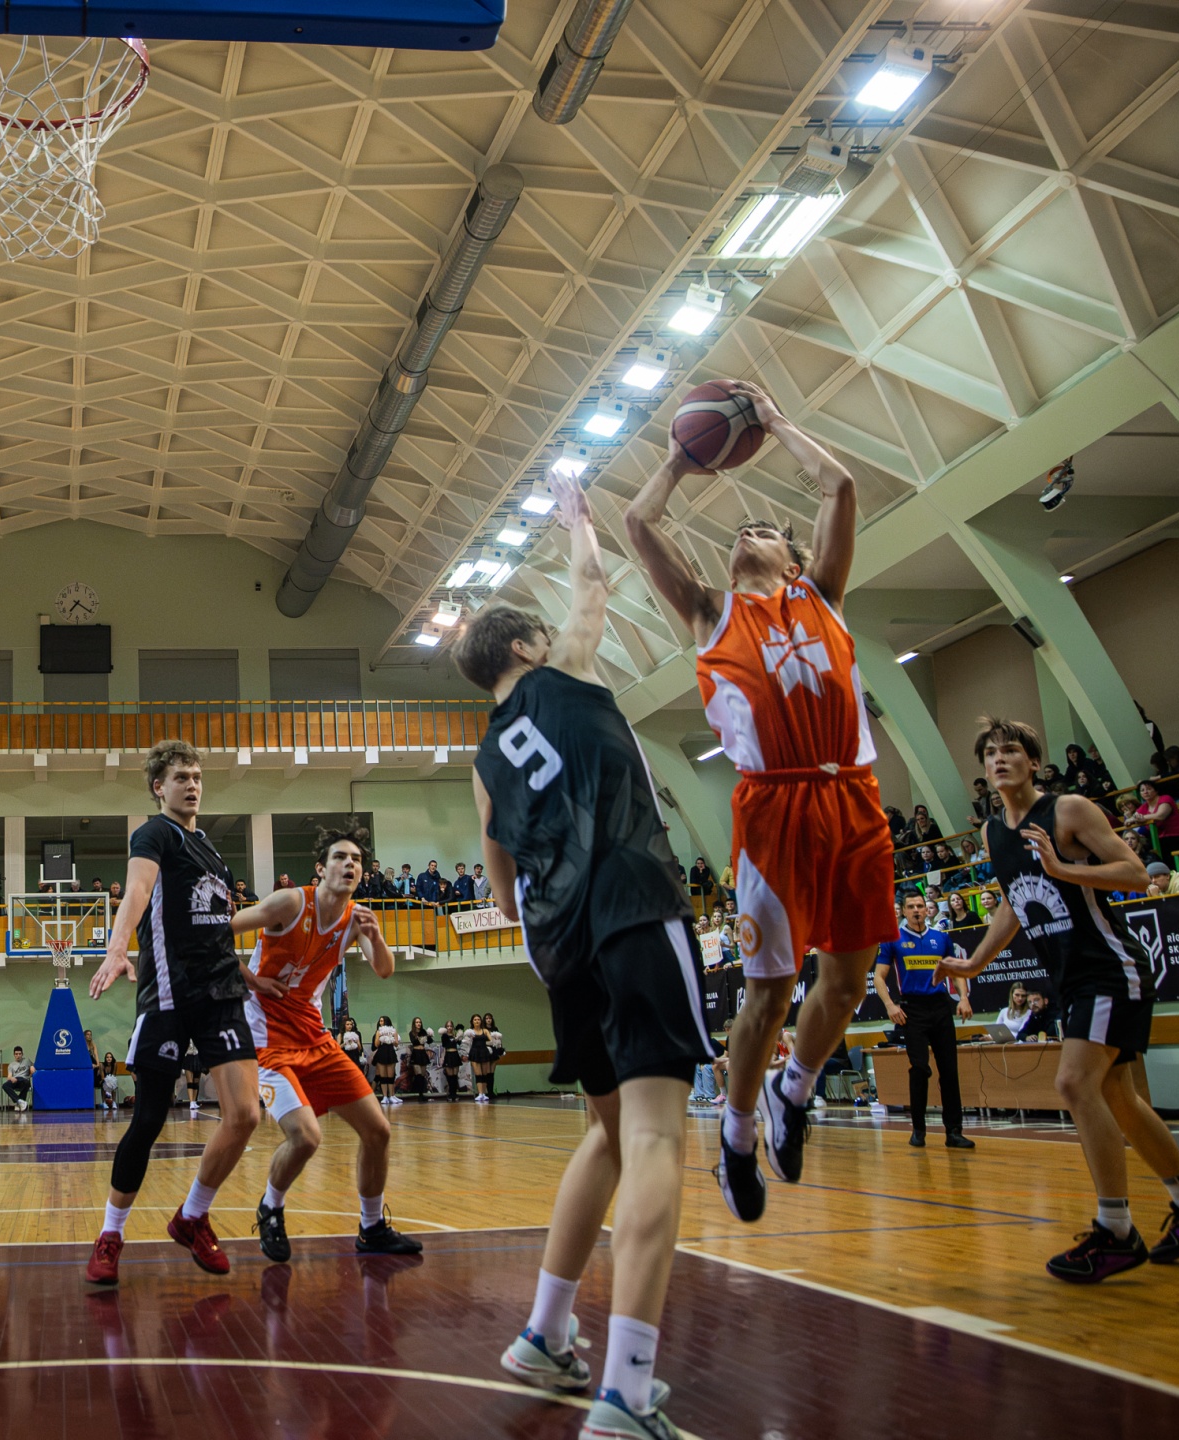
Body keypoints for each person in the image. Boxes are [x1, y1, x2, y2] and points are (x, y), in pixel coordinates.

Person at [467, 474, 711, 1440]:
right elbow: (594, 588)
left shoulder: (485, 763)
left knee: (609, 1136)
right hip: (633, 909)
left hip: (561, 945)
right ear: (526, 648)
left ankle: (544, 1332)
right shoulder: (563, 673)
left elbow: (498, 888)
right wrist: (578, 523)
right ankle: (626, 1392)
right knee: (654, 1140)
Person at [624, 382, 892, 1227]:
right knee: (768, 995)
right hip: (774, 811)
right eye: (742, 530)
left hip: (853, 798)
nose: (748, 532)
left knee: (845, 985)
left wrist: (774, 422)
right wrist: (680, 458)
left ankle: (793, 1091)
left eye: (767, 530)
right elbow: (639, 524)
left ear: (796, 561)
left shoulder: (824, 597)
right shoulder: (709, 612)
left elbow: (839, 486)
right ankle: (737, 1137)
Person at [940, 717, 1179, 1280]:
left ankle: (1116, 1230)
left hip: (1109, 967)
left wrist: (1062, 868)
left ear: (1033, 762)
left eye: (1010, 750)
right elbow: (1015, 901)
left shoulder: (1068, 810)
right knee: (1118, 1098)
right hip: (1070, 978)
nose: (999, 759)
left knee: (1073, 1083)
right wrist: (975, 962)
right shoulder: (994, 833)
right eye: (990, 753)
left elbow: (1136, 874)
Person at [84, 738, 260, 1285]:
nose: (192, 785)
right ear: (159, 787)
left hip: (221, 994)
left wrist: (253, 977)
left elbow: (216, 927)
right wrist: (117, 948)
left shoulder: (211, 850)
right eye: (181, 777)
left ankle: (192, 1216)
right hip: (168, 993)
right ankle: (111, 1233)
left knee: (245, 1114)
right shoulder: (154, 833)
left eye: (197, 777)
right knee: (150, 1119)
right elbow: (138, 891)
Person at [232, 824, 419, 1262]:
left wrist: (376, 936)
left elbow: (385, 969)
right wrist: (253, 980)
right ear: (320, 868)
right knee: (306, 1137)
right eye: (340, 857)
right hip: (266, 1039)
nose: (350, 864)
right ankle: (270, 1207)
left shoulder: (357, 918)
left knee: (378, 1130)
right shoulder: (289, 902)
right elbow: (217, 935)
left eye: (356, 859)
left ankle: (371, 1228)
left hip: (314, 1036)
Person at [873, 893, 975, 1150]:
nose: (917, 910)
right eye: (911, 907)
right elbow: (878, 977)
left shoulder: (941, 938)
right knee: (919, 1068)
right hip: (912, 1009)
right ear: (903, 911)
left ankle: (954, 1132)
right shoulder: (893, 939)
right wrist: (890, 1005)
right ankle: (918, 1129)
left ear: (927, 910)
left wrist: (963, 998)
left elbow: (956, 970)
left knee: (949, 1070)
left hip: (940, 1007)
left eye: (920, 905)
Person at [370, 1014, 400, 1104]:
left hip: (390, 1053)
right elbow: (376, 1045)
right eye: (380, 1021)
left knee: (390, 1076)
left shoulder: (393, 1031)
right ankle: (385, 1096)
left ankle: (392, 1095)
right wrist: (381, 1037)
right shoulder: (378, 1031)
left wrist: (390, 1037)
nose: (380, 1022)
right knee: (383, 1076)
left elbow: (396, 1044)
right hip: (381, 1053)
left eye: (382, 1021)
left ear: (386, 1021)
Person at [2, 1046, 32, 1111]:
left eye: (19, 1054)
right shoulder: (11, 1065)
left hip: (24, 1080)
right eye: (16, 1054)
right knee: (5, 1085)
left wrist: (32, 1071)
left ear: (22, 1054)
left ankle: (19, 1103)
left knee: (26, 1082)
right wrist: (11, 1078)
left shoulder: (27, 1061)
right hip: (15, 1080)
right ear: (14, 1055)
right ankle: (19, 1101)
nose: (18, 1056)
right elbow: (9, 1076)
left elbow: (33, 1069)